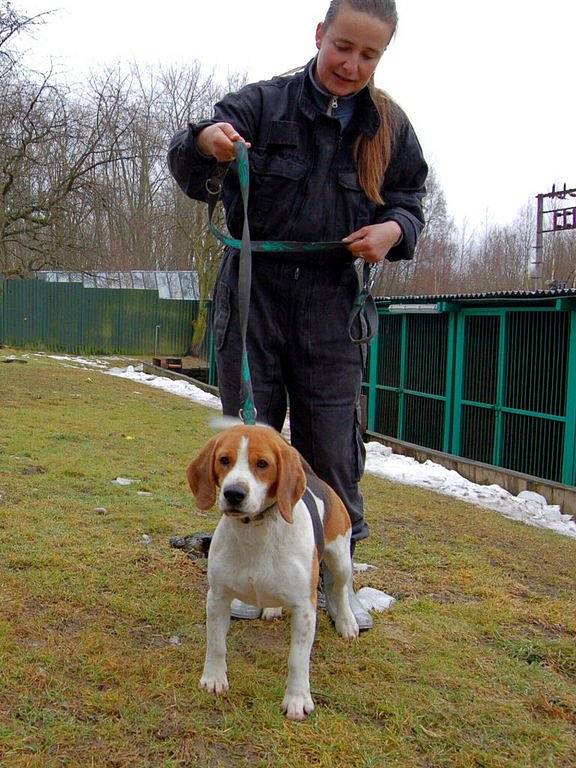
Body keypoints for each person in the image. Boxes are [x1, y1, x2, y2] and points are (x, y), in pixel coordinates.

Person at [168, 0, 428, 630]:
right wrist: (206, 143)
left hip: (332, 301)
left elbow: (412, 199)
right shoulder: (263, 104)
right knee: (248, 434)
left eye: (369, 54)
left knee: (331, 447)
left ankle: (333, 577)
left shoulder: (388, 128)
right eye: (343, 46)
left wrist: (393, 229)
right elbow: (189, 155)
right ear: (320, 35)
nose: (352, 63)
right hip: (252, 291)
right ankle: (248, 573)